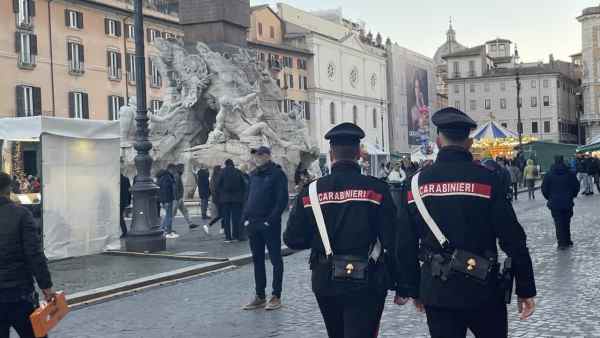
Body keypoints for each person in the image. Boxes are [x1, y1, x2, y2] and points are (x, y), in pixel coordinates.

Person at [395, 107, 536, 338]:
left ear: (438, 141)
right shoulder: (487, 180)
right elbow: (513, 238)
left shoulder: (414, 184)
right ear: (470, 143)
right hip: (484, 287)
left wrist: (412, 289)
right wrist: (525, 288)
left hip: (438, 289)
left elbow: (404, 242)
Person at [284, 123, 397, 338]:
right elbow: (392, 239)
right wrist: (401, 283)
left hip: (326, 278)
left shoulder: (312, 191)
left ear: (331, 153)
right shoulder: (376, 189)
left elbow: (293, 239)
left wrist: (318, 237)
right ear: (358, 153)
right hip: (368, 277)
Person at [0, 172, 55, 338]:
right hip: (18, 293)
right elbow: (34, 254)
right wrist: (46, 286)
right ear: (9, 188)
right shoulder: (21, 215)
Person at [241, 146, 288, 311]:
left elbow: (281, 200)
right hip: (253, 224)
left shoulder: (277, 174)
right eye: (255, 155)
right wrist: (245, 218)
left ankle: (276, 295)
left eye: (260, 154)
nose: (257, 157)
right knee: (257, 261)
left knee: (276, 260)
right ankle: (260, 296)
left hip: (269, 225)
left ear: (268, 156)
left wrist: (270, 220)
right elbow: (247, 198)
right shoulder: (253, 175)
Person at [541, 156, 580, 250]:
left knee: (558, 223)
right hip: (567, 202)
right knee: (567, 221)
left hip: (554, 203)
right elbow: (576, 186)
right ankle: (567, 240)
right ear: (563, 161)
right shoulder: (569, 173)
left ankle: (561, 243)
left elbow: (544, 189)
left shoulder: (549, 174)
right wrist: (572, 195)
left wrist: (549, 197)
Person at [217, 159, 246, 242]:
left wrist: (221, 194)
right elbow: (243, 184)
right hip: (237, 199)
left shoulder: (222, 172)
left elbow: (218, 185)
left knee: (226, 219)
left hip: (225, 199)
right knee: (236, 218)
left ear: (225, 164)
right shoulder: (238, 172)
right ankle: (236, 235)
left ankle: (228, 237)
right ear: (233, 164)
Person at [173, 164, 199, 230]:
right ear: (179, 168)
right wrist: (178, 198)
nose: (183, 170)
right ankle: (167, 227)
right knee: (172, 214)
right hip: (177, 198)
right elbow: (175, 188)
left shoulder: (178, 175)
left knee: (185, 211)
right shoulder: (177, 176)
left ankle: (190, 223)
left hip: (179, 198)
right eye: (182, 168)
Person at [157, 164, 178, 239]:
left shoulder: (163, 177)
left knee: (168, 216)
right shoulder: (167, 177)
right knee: (168, 216)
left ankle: (168, 231)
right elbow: (166, 190)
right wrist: (167, 201)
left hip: (165, 199)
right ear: (170, 169)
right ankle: (162, 230)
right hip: (168, 199)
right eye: (174, 170)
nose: (175, 172)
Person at [204, 165, 223, 235]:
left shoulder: (213, 178)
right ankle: (208, 225)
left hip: (215, 199)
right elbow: (217, 190)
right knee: (221, 215)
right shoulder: (217, 178)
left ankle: (222, 228)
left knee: (222, 214)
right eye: (220, 170)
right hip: (218, 199)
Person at [120, 172, 131, 238]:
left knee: (119, 217)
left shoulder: (114, 180)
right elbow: (129, 191)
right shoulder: (126, 179)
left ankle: (124, 231)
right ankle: (124, 231)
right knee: (120, 216)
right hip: (123, 201)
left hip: (118, 201)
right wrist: (128, 201)